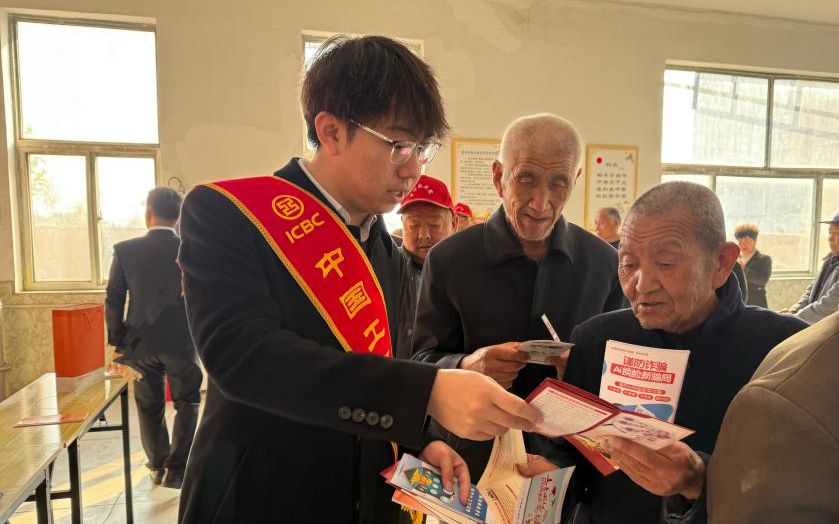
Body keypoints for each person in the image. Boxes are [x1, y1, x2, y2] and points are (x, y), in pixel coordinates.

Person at [176, 35, 541, 524]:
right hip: (260, 496)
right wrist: (428, 391)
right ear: (330, 131)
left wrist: (420, 439)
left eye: (423, 148)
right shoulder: (231, 213)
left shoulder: (386, 250)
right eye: (399, 145)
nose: (413, 169)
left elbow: (384, 365)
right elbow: (243, 357)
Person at [524, 182, 807, 524]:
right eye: (628, 264)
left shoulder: (785, 350)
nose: (641, 284)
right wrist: (552, 471)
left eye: (666, 263)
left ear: (721, 263)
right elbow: (570, 455)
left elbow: (803, 480)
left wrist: (700, 481)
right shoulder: (597, 339)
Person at [412, 113, 624, 478]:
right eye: (526, 179)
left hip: (569, 469)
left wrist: (583, 371)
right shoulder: (449, 259)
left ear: (575, 181)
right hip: (472, 465)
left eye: (558, 183)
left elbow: (617, 375)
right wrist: (468, 365)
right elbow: (419, 362)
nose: (541, 203)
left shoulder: (604, 264)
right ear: (499, 177)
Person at [104, 187, 202, 489]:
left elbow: (113, 297)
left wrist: (118, 339)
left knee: (148, 404)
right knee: (188, 402)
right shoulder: (193, 248)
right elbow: (205, 295)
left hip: (140, 342)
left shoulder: (125, 250)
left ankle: (158, 465)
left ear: (148, 214)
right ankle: (177, 470)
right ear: (179, 217)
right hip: (183, 341)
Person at [705, 312, 839, 523]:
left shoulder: (780, 335)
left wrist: (697, 483)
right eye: (631, 275)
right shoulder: (784, 392)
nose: (649, 294)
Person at [395, 175, 455, 359]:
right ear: (402, 226)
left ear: (454, 224)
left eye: (434, 224)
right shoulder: (387, 267)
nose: (424, 235)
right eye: (413, 225)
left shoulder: (468, 271)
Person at [782, 212, 839, 324]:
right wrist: (794, 310)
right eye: (830, 232)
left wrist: (793, 319)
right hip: (812, 323)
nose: (830, 238)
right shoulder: (829, 260)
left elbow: (828, 306)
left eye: (837, 233)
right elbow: (811, 291)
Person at [734, 223, 771, 308]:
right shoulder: (735, 258)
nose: (743, 245)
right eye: (740, 241)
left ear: (755, 241)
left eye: (747, 241)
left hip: (757, 301)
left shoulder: (764, 259)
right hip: (738, 301)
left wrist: (743, 269)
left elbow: (762, 280)